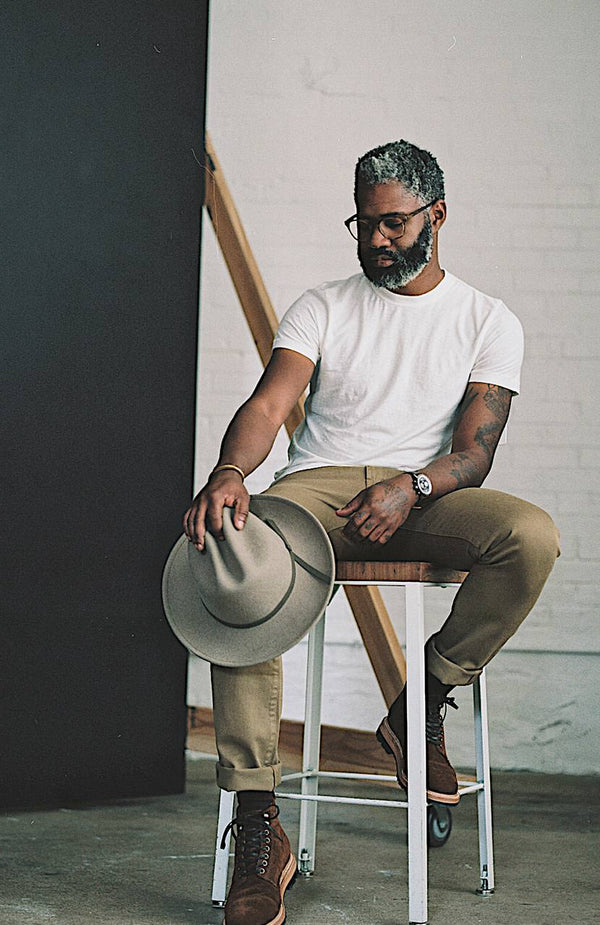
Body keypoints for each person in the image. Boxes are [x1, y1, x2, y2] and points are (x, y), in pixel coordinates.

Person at [183, 139, 560, 925]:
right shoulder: (323, 304)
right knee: (237, 554)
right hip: (318, 490)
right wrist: (230, 471)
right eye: (364, 225)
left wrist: (412, 485)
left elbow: (475, 453)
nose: (377, 241)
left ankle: (418, 701)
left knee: (530, 537)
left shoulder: (489, 320)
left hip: (423, 493)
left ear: (438, 215)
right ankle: (259, 824)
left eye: (393, 224)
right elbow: (267, 402)